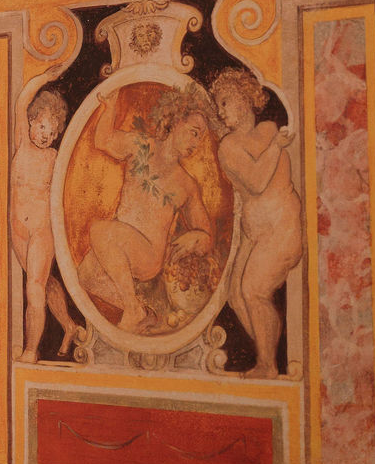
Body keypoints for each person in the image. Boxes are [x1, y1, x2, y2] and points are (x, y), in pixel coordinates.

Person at [80, 86, 214, 333]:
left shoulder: (186, 184)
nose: (196, 143)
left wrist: (198, 237)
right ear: (175, 120)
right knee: (84, 276)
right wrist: (109, 108)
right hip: (120, 244)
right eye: (194, 133)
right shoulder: (141, 145)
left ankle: (133, 309)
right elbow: (103, 141)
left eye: (200, 137)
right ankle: (145, 311)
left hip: (148, 256)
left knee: (100, 231)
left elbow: (206, 235)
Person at [210, 68, 301, 378]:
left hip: (281, 226)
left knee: (253, 290)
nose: (220, 112)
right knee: (236, 295)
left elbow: (263, 182)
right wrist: (277, 146)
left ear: (244, 98)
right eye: (218, 105)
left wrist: (274, 143)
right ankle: (269, 351)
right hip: (255, 232)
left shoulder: (267, 130)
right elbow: (256, 180)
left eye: (225, 102)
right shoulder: (230, 146)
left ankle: (267, 364)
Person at [10, 84, 78, 363]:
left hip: (41, 229)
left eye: (51, 133)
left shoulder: (54, 158)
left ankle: (30, 350)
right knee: (44, 283)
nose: (45, 136)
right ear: (31, 121)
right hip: (19, 229)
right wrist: (45, 77)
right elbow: (20, 102)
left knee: (34, 288)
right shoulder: (22, 145)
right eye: (41, 127)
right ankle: (69, 326)